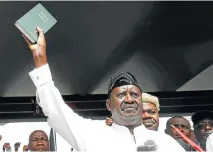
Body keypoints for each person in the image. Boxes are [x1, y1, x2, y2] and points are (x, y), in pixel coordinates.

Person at [23, 27, 185, 152]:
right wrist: (39, 57)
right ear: (109, 105)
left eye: (135, 95)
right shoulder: (92, 134)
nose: (129, 99)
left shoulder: (166, 144)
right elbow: (55, 109)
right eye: (121, 95)